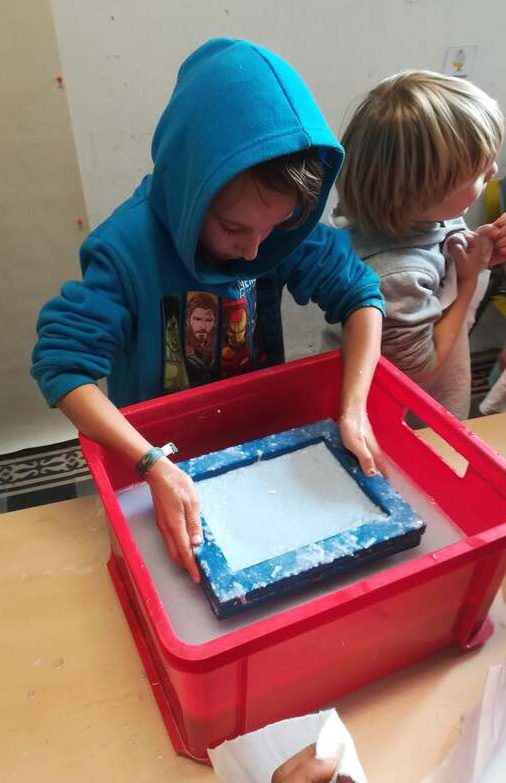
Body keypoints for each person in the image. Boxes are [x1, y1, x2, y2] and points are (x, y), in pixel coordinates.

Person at [31, 38, 384, 581]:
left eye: (274, 228)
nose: (254, 251)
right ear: (190, 188)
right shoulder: (126, 251)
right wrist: (151, 462)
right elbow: (62, 366)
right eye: (234, 228)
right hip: (153, 450)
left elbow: (361, 296)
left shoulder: (272, 235)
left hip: (252, 436)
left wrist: (354, 409)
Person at [330, 70, 505, 419]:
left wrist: (482, 253)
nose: (494, 171)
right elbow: (420, 371)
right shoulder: (395, 274)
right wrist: (468, 282)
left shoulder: (415, 215)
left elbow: (441, 256)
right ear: (428, 192)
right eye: (480, 171)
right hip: (407, 419)